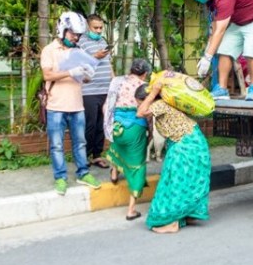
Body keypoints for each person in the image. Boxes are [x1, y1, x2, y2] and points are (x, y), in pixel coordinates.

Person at [135, 80, 211, 234]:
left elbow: (140, 113)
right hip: (192, 144)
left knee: (174, 184)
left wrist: (153, 94)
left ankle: (172, 222)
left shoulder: (160, 104)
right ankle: (186, 214)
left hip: (186, 146)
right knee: (186, 181)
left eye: (139, 102)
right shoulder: (166, 103)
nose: (138, 105)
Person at [40, 11, 101, 195]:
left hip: (77, 105)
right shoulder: (49, 50)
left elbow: (83, 79)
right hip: (56, 106)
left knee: (80, 142)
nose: (76, 37)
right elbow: (47, 75)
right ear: (62, 30)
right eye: (73, 33)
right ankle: (60, 177)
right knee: (57, 145)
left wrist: (87, 74)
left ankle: (83, 173)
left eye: (78, 35)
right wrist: (70, 72)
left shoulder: (79, 51)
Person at [102, 58, 152, 221]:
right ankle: (131, 210)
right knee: (137, 166)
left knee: (118, 147)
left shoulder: (116, 81)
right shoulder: (145, 87)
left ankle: (115, 172)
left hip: (117, 125)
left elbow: (106, 106)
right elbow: (148, 111)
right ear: (144, 74)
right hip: (135, 128)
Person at [78, 14, 114, 169]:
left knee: (101, 124)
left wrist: (114, 82)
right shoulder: (80, 42)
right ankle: (84, 156)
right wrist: (94, 56)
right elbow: (78, 64)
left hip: (105, 89)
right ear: (88, 26)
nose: (99, 31)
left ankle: (97, 156)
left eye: (101, 28)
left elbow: (108, 64)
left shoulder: (103, 41)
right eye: (95, 28)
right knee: (90, 124)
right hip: (88, 90)